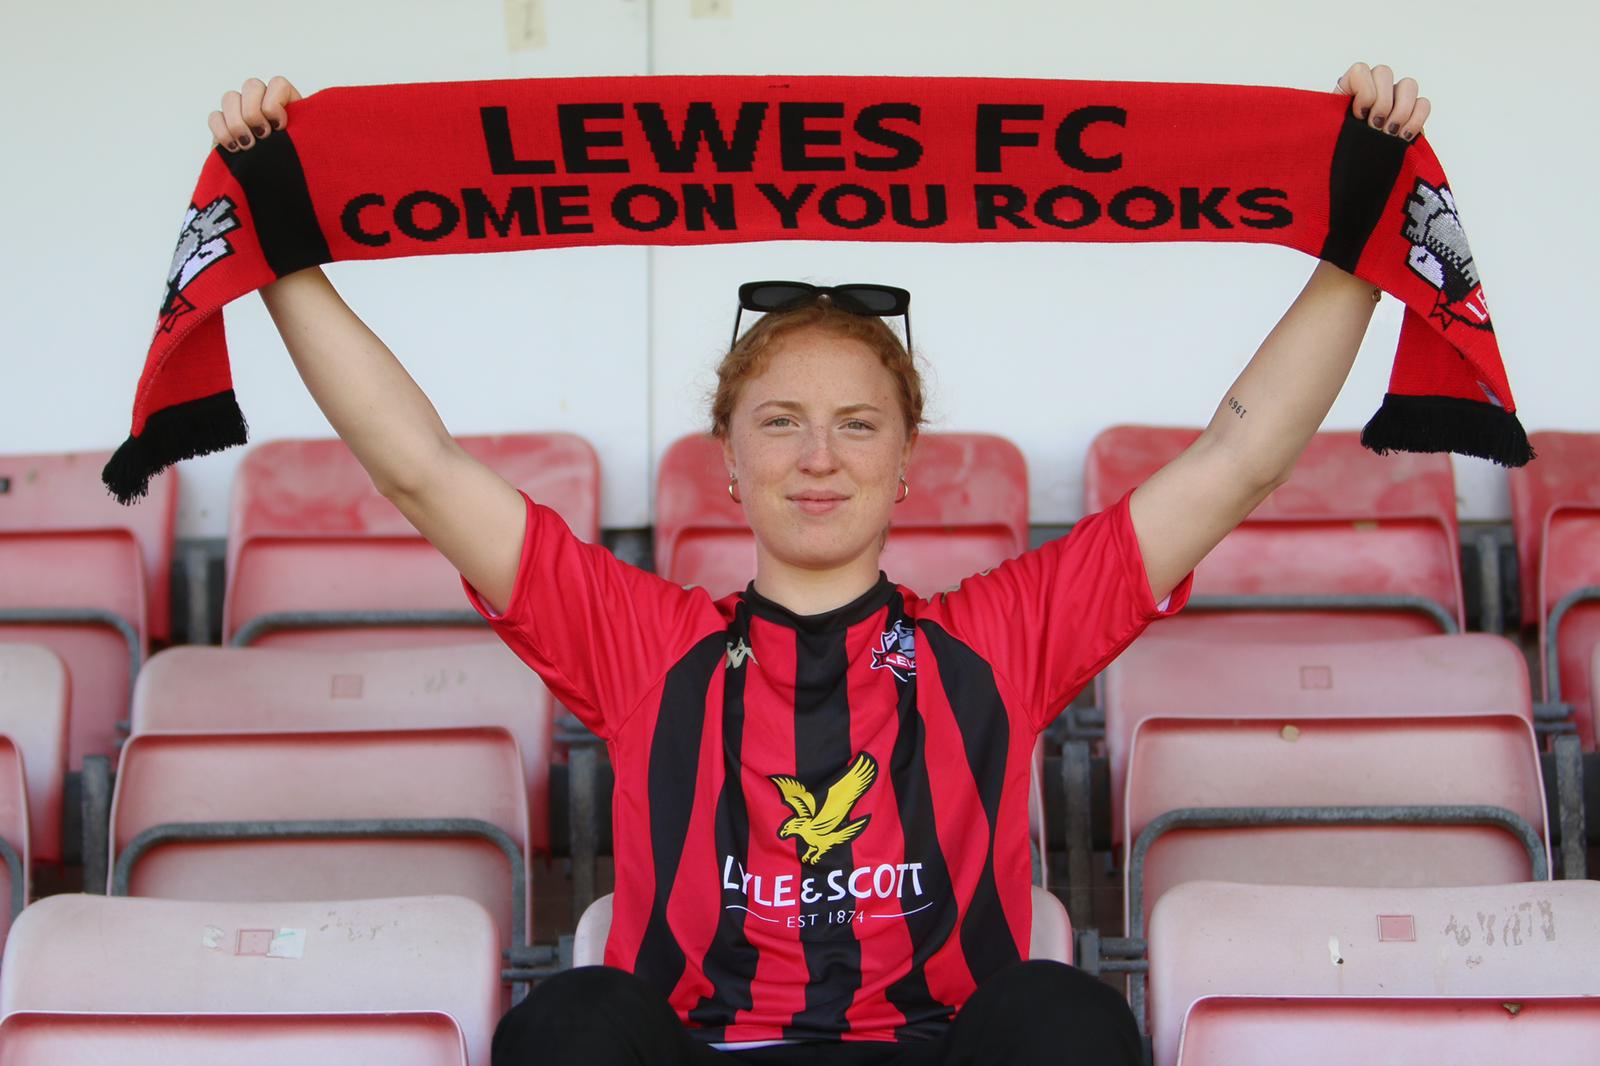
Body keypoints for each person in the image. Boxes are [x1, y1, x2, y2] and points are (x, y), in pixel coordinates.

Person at [212, 63, 1429, 1066]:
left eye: (857, 425)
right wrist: (278, 240)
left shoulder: (997, 640)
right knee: (569, 1023)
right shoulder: (649, 645)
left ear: (907, 465)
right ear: (725, 467)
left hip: (940, 1049)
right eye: (779, 422)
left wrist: (1359, 227)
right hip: (705, 1050)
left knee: (1065, 1017)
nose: (818, 457)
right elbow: (421, 466)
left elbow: (1240, 456)